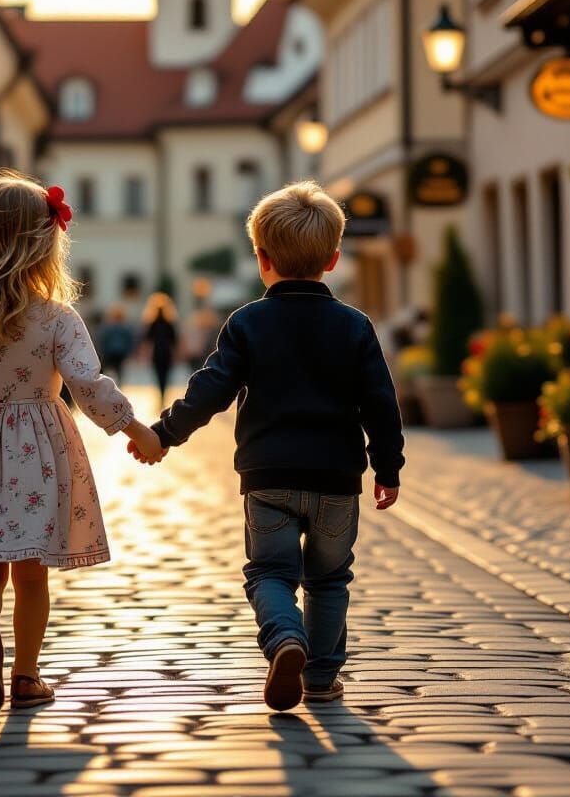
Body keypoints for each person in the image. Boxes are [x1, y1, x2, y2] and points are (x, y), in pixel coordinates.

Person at [133, 181, 404, 712]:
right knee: (329, 579)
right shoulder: (354, 326)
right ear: (332, 258)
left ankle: (285, 640)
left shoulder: (248, 323)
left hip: (269, 478)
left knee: (270, 573)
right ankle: (322, 679)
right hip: (335, 479)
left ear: (262, 258)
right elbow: (380, 403)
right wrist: (387, 467)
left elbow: (210, 389)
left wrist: (164, 434)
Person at [0, 174, 164, 713]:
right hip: (38, 454)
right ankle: (25, 675)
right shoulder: (56, 318)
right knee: (30, 573)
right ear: (44, 245)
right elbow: (87, 385)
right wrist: (135, 429)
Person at [141, 291, 178, 407]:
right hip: (167, 353)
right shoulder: (169, 323)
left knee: (158, 376)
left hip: (157, 353)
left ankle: (161, 397)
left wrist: (144, 354)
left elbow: (147, 340)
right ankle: (163, 397)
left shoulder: (152, 323)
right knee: (166, 377)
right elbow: (175, 341)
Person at [98, 303, 135, 382]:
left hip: (110, 352)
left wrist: (103, 350)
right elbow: (130, 341)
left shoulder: (109, 327)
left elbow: (103, 339)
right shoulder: (125, 327)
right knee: (119, 371)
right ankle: (117, 384)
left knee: (109, 370)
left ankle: (111, 384)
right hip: (120, 352)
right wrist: (129, 351)